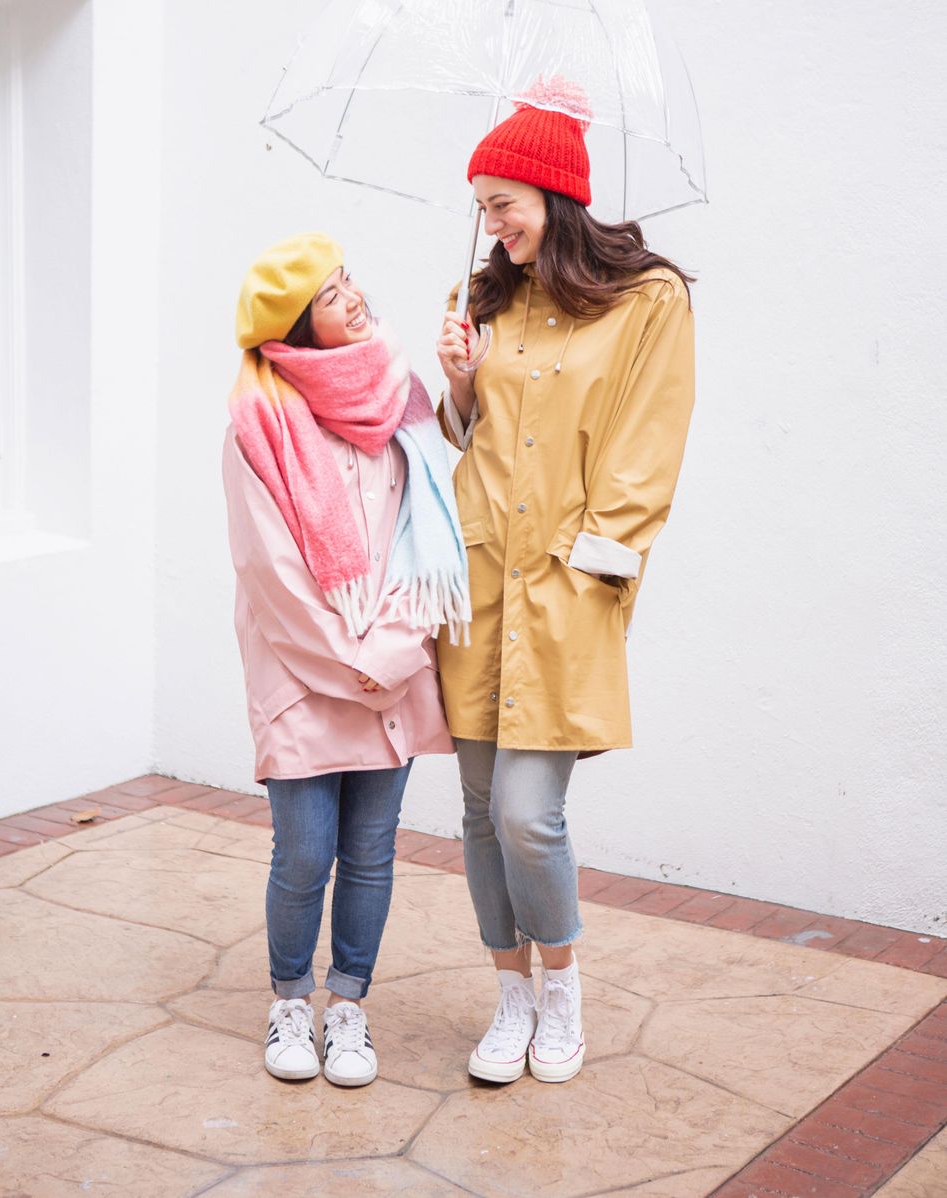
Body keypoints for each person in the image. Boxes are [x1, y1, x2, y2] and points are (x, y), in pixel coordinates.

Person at [435, 78, 695, 1085]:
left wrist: (594, 576)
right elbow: (455, 446)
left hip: (561, 592)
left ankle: (561, 991)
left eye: (501, 200)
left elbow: (646, 451)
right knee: (470, 809)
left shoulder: (646, 301)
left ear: (553, 197)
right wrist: (456, 386)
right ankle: (509, 995)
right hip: (474, 585)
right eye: (480, 204)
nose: (487, 221)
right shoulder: (480, 301)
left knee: (523, 813)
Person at [224, 231, 468, 1089]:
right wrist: (354, 661)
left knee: (371, 850)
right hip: (305, 670)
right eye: (329, 293)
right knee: (303, 851)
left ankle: (350, 1006)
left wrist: (395, 653)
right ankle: (291, 998)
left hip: (393, 665)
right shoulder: (258, 421)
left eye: (348, 279)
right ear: (293, 327)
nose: (353, 296)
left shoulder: (401, 397)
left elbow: (425, 535)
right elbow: (272, 573)